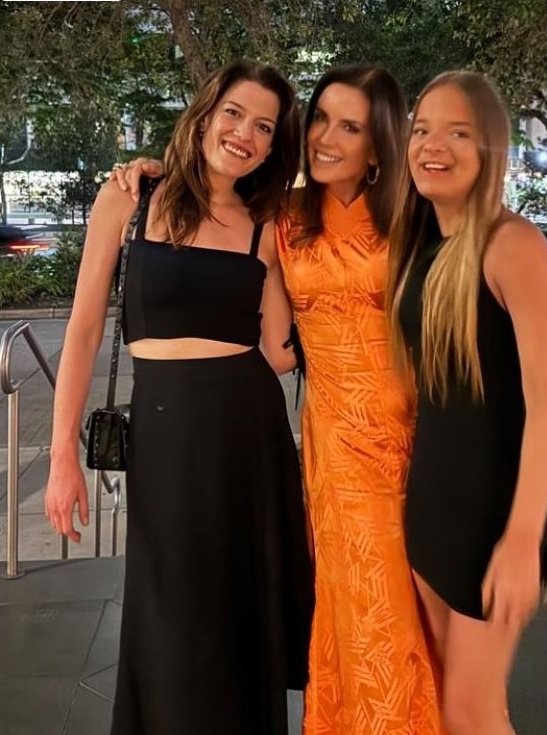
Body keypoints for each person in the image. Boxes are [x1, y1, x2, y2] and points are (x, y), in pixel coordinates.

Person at [115, 65, 442, 735]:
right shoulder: (288, 218)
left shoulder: (415, 218)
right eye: (320, 119)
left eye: (350, 127)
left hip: (403, 435)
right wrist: (152, 173)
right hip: (328, 438)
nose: (325, 137)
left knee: (399, 608)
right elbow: (278, 341)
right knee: (341, 604)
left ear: (379, 145)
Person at [45, 60, 314, 735]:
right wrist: (60, 457)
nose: (245, 134)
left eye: (264, 127)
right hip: (164, 434)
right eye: (234, 113)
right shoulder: (131, 199)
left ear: (274, 147)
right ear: (204, 115)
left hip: (248, 434)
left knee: (239, 613)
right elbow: (83, 330)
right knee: (170, 615)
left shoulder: (265, 224)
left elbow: (280, 352)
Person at [387, 70, 547, 735]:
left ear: (490, 147)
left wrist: (521, 541)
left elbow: (546, 407)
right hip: (433, 506)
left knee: (471, 714)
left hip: (491, 519)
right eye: (423, 130)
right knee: (450, 702)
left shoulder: (513, 246)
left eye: (458, 133)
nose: (434, 146)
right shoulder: (424, 243)